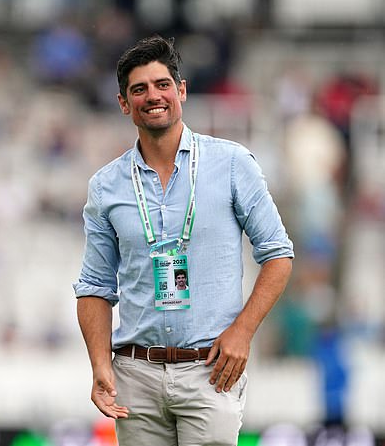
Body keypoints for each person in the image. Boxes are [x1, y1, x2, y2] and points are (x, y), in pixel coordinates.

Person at [73, 35, 294, 446]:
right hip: (135, 373)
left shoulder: (232, 164)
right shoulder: (106, 185)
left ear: (182, 91)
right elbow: (93, 287)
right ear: (124, 103)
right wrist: (100, 365)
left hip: (210, 370)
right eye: (138, 89)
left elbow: (279, 255)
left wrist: (242, 332)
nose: (152, 96)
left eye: (162, 85)